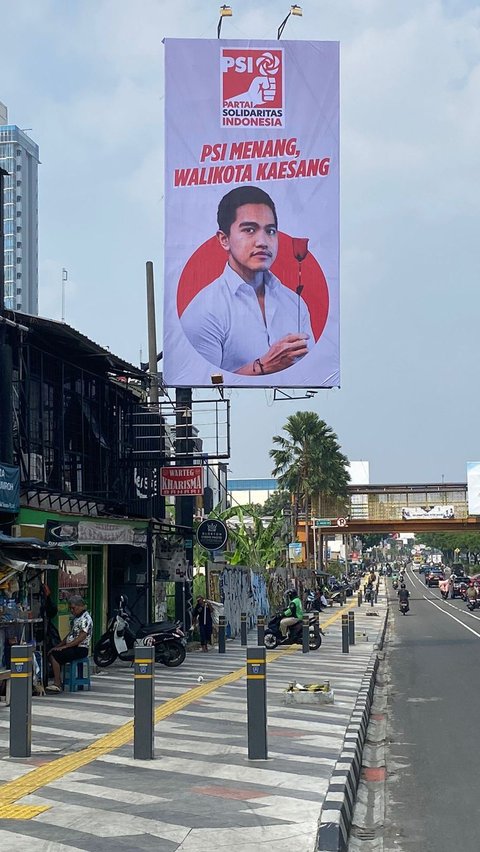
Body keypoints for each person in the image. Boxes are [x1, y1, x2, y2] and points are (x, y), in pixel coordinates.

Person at [180, 185, 314, 375]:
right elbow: (201, 380)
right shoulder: (203, 311)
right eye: (249, 230)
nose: (262, 241)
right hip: (227, 404)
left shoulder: (295, 304)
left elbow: (312, 369)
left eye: (270, 231)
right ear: (224, 239)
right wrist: (263, 366)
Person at [46, 596, 93, 694]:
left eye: (73, 608)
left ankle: (57, 683)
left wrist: (66, 646)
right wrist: (59, 646)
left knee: (54, 655)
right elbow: (70, 635)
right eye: (70, 608)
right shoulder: (76, 618)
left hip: (80, 648)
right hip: (72, 646)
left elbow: (81, 637)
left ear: (81, 606)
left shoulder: (85, 618)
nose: (72, 610)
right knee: (52, 652)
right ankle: (58, 680)